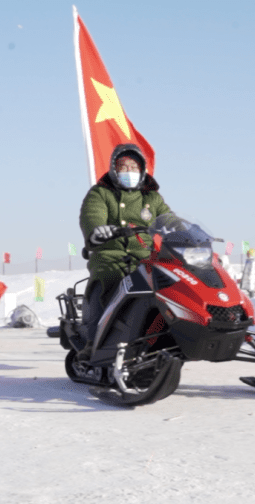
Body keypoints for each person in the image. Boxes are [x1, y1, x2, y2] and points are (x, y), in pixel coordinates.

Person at [76, 143, 171, 358]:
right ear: (113, 169)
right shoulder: (100, 193)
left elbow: (170, 220)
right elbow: (91, 215)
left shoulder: (152, 198)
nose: (129, 172)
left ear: (142, 170)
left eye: (134, 167)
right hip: (110, 256)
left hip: (145, 257)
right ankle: (94, 341)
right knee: (108, 282)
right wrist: (98, 230)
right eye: (123, 167)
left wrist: (185, 236)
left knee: (167, 285)